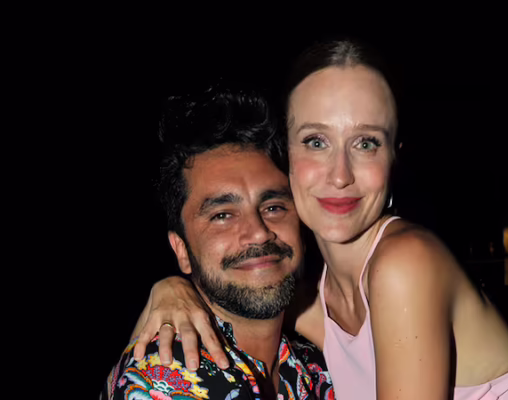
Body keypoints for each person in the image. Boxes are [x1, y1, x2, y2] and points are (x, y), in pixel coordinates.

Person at [133, 39, 508, 399]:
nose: (340, 175)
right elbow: (232, 303)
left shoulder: (405, 264)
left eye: (366, 143)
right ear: (288, 157)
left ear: (393, 157)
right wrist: (169, 289)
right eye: (316, 141)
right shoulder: (314, 301)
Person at [102, 84, 334, 399]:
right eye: (222, 215)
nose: (258, 232)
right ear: (181, 250)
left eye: (274, 207)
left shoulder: (316, 366)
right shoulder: (166, 377)